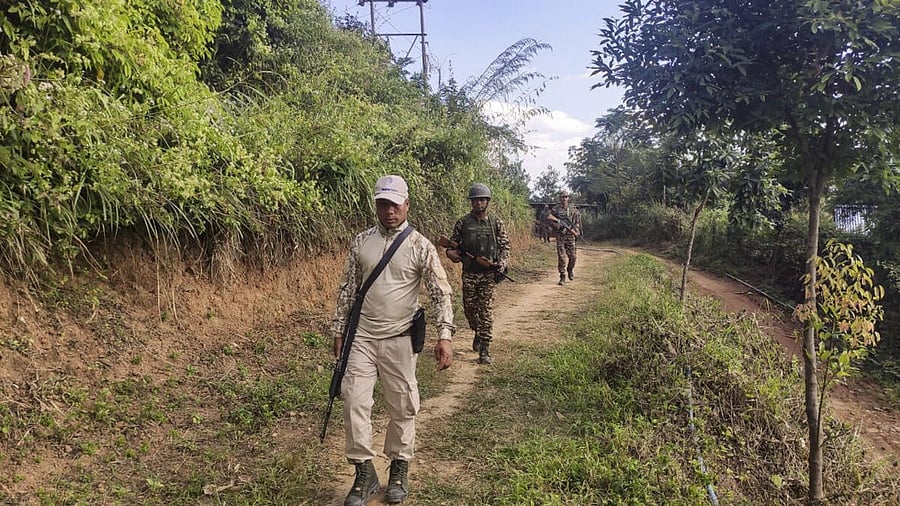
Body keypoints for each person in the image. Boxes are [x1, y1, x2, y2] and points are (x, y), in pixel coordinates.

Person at [332, 175, 455, 505]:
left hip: (400, 339)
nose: (389, 211)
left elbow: (440, 293)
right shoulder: (361, 242)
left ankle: (399, 467)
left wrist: (444, 335)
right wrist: (339, 331)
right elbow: (347, 289)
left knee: (402, 405)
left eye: (394, 204)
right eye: (382, 204)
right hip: (362, 338)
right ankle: (364, 472)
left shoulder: (420, 246)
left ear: (406, 205)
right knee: (354, 400)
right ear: (376, 205)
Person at [444, 183, 511, 365]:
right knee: (470, 310)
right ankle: (477, 331)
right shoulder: (463, 223)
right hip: (469, 274)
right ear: (471, 202)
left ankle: (485, 348)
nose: (479, 203)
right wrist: (452, 255)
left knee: (486, 311)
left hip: (488, 274)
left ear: (487, 201)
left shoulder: (496, 222)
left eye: (482, 200)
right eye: (475, 200)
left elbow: (505, 246)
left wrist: (502, 264)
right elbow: (451, 246)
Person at [551, 190, 582, 285]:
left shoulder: (573, 210)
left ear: (568, 198)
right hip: (560, 235)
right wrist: (558, 226)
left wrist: (576, 231)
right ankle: (562, 276)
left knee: (573, 257)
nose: (564, 199)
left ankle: (570, 269)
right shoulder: (555, 209)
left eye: (566, 197)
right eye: (562, 197)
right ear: (560, 198)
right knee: (561, 257)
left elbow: (577, 222)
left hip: (570, 236)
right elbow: (550, 220)